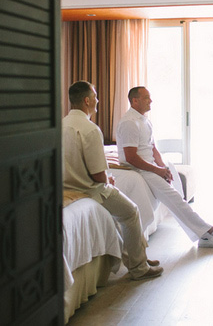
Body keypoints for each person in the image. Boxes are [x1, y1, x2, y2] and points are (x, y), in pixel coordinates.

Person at [63, 81, 163, 281]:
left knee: (124, 214)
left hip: (67, 186)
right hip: (90, 189)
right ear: (87, 100)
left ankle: (138, 256)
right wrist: (108, 178)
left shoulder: (61, 124)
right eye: (96, 96)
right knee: (131, 212)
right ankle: (138, 267)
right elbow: (98, 174)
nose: (98, 100)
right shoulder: (90, 129)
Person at [116, 86, 213, 248]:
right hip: (139, 168)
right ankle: (209, 231)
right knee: (175, 199)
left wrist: (163, 167)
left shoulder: (144, 120)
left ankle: (205, 235)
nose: (150, 101)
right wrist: (157, 170)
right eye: (146, 98)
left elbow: (152, 148)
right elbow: (130, 157)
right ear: (135, 101)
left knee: (177, 199)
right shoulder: (129, 123)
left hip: (149, 166)